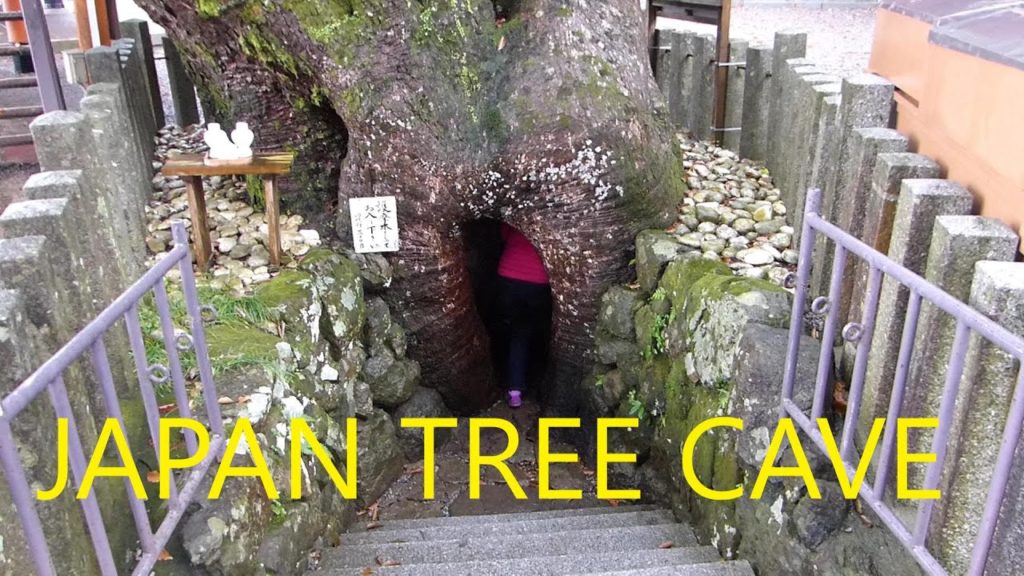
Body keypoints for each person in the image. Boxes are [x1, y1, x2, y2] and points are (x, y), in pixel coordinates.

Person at [497, 222, 551, 408]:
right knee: (537, 329)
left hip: (508, 276)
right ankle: (532, 379)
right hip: (538, 279)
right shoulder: (552, 214)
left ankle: (514, 389)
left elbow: (504, 234)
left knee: (517, 331)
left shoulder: (517, 209)